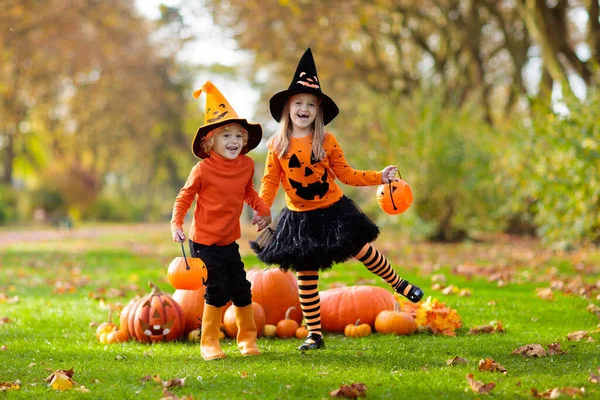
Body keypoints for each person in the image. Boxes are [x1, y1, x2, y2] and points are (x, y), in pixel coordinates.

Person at [250, 48, 424, 351]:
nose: (303, 109)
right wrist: (263, 210)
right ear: (287, 108)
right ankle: (314, 334)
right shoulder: (276, 145)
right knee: (306, 274)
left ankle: (398, 284)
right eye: (298, 103)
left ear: (317, 112)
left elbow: (347, 174)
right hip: (298, 218)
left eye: (310, 105)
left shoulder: (326, 141)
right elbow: (270, 182)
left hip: (332, 210)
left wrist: (379, 176)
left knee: (362, 250)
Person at [171, 81, 271, 360]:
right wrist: (176, 224)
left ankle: (247, 340)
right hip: (203, 242)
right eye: (225, 135)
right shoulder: (202, 169)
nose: (233, 141)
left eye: (238, 135)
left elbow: (249, 192)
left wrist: (262, 209)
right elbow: (184, 197)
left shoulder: (247, 165)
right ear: (209, 142)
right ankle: (209, 343)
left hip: (228, 241)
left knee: (241, 287)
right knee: (217, 290)